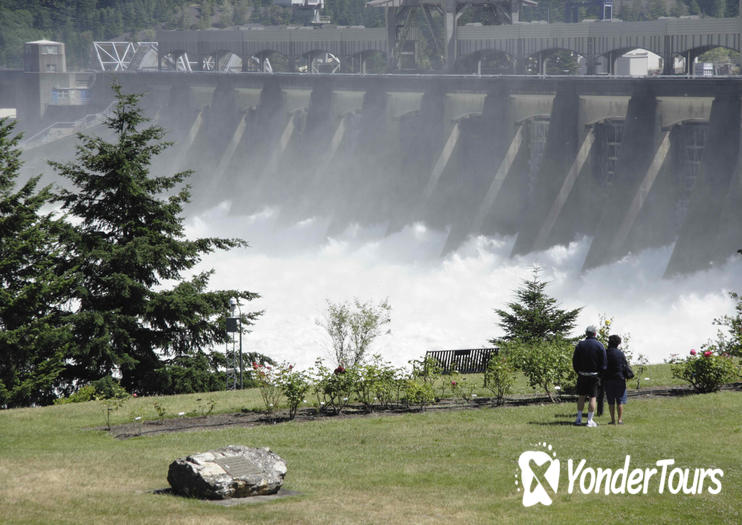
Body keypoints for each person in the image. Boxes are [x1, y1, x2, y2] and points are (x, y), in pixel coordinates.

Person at [572, 325, 607, 427]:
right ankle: (589, 420)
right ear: (595, 334)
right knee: (593, 397)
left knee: (581, 396)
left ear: (586, 333)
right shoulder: (599, 345)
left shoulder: (580, 345)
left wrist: (578, 371)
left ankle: (578, 418)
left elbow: (575, 361)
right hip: (594, 375)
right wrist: (600, 374)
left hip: (582, 374)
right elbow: (604, 363)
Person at [604, 334, 628, 424]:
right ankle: (620, 419)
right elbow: (625, 365)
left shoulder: (605, 353)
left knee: (611, 401)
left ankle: (613, 420)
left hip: (609, 379)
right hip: (620, 378)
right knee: (620, 400)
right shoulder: (620, 353)